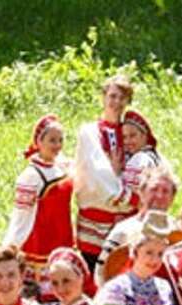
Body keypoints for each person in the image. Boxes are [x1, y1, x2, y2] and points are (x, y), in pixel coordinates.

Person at [2, 116, 76, 299]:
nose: (57, 145)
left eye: (60, 140)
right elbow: (21, 216)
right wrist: (11, 245)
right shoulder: (31, 176)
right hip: (40, 244)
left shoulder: (61, 167)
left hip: (63, 238)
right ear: (38, 142)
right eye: (52, 140)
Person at [73, 74, 135, 263]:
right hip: (96, 215)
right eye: (112, 96)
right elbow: (97, 172)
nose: (116, 102)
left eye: (122, 98)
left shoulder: (130, 132)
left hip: (125, 218)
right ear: (104, 97)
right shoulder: (90, 132)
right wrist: (126, 193)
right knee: (93, 269)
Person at [96, 164, 180, 283]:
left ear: (172, 198)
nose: (159, 196)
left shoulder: (178, 232)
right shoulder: (123, 231)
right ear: (141, 192)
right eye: (154, 189)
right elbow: (101, 272)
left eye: (165, 191)